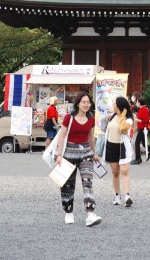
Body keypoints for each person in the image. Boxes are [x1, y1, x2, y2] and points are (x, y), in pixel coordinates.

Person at [54, 91, 101, 227]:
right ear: (78, 103)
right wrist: (59, 155)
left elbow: (91, 137)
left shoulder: (91, 118)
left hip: (86, 153)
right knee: (68, 185)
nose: (86, 104)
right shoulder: (69, 117)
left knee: (88, 182)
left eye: (88, 102)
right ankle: (68, 212)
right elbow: (62, 136)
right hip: (69, 153)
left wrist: (94, 152)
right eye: (83, 102)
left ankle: (90, 214)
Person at [104, 96, 134, 207]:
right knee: (115, 172)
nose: (112, 105)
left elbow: (122, 129)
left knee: (125, 171)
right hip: (111, 146)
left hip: (122, 147)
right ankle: (117, 196)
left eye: (114, 104)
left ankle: (127, 195)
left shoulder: (128, 119)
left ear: (119, 106)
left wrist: (122, 115)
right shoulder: (112, 116)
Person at [131, 97, 150, 165]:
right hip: (141, 128)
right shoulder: (142, 109)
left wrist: (137, 120)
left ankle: (138, 159)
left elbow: (145, 121)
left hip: (143, 128)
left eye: (137, 102)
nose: (136, 103)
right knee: (144, 144)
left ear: (139, 103)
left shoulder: (144, 109)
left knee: (136, 143)